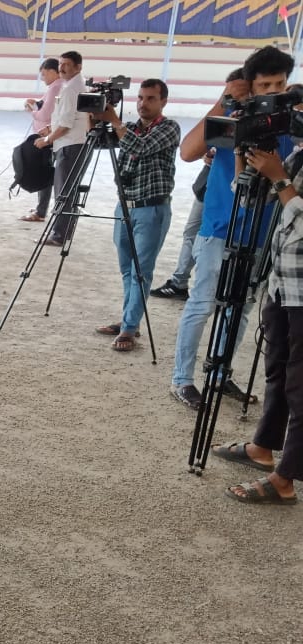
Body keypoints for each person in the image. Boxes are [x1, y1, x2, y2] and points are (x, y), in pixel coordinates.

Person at [169, 46, 296, 410]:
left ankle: (220, 373)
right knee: (203, 303)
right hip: (220, 227)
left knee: (239, 308)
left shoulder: (290, 120)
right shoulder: (233, 113)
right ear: (250, 86)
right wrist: (225, 101)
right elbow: (189, 151)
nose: (274, 91)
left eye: (280, 83)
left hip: (262, 231)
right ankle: (182, 379)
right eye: (265, 84)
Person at [210, 145, 303, 505]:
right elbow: (250, 201)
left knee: (300, 383)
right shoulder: (298, 155)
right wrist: (243, 157)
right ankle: (263, 446)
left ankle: (285, 479)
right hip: (283, 280)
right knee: (277, 368)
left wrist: (279, 177)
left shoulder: (288, 165)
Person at [89, 79, 180, 352]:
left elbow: (139, 148)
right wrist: (94, 117)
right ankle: (130, 320)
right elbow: (96, 145)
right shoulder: (128, 129)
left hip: (152, 208)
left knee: (141, 272)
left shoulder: (169, 128)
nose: (143, 103)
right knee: (127, 269)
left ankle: (129, 327)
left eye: (150, 98)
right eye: (140, 98)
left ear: (163, 101)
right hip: (125, 205)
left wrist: (115, 121)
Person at [151, 68, 245, 301]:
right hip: (209, 188)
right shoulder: (227, 111)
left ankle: (185, 281)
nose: (231, 94)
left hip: (236, 199)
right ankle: (179, 280)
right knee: (191, 233)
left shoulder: (258, 119)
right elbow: (189, 151)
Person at [34, 51, 87, 246]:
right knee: (68, 190)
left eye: (67, 64)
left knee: (64, 191)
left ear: (78, 67)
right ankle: (63, 233)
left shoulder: (71, 89)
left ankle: (58, 235)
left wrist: (47, 139)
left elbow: (65, 124)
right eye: (61, 64)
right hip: (72, 143)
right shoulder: (74, 86)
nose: (62, 68)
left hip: (69, 145)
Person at [19, 58, 61, 222]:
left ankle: (41, 211)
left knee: (44, 171)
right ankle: (41, 208)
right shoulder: (56, 86)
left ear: (52, 71)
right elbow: (44, 105)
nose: (43, 78)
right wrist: (36, 104)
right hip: (50, 134)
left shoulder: (56, 86)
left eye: (44, 74)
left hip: (49, 136)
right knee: (47, 170)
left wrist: (32, 110)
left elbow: (45, 113)